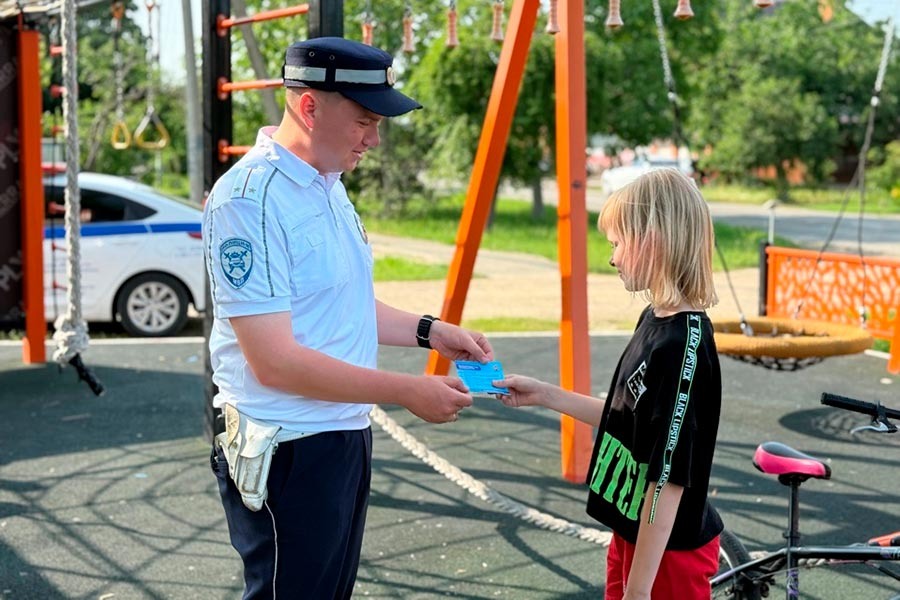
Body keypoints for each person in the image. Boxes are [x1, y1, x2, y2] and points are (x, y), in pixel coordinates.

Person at [203, 37, 493, 599]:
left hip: (339, 433)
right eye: (364, 120)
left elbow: (343, 303)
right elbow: (275, 363)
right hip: (287, 446)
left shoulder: (328, 185)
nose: (374, 138)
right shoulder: (248, 200)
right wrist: (407, 390)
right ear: (309, 108)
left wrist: (432, 332)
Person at [494, 168, 723, 600]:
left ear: (652, 239)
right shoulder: (654, 319)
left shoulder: (682, 345)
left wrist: (639, 591)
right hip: (634, 530)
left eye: (617, 243)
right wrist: (544, 394)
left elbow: (667, 479)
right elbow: (631, 422)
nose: (613, 257)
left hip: (666, 552)